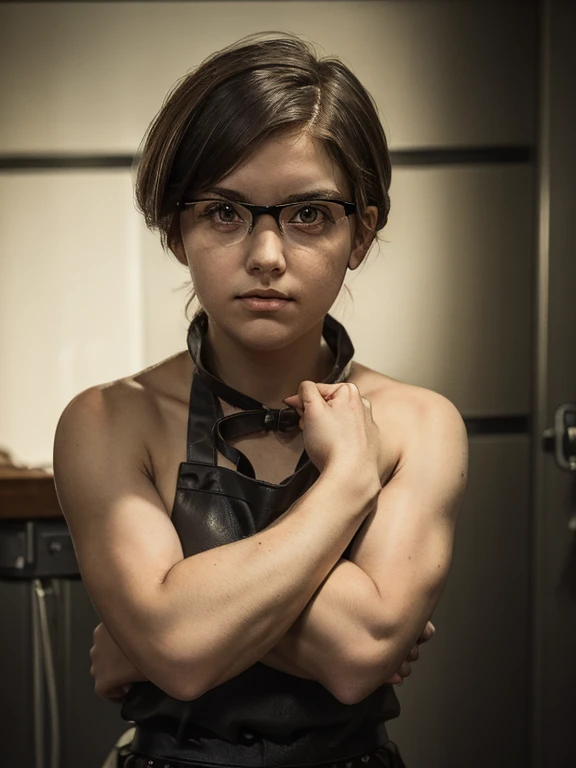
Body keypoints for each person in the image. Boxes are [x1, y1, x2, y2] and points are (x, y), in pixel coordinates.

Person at [53, 33, 468, 768]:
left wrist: (159, 615)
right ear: (175, 229)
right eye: (224, 211)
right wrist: (346, 485)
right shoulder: (105, 420)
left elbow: (356, 655)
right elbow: (181, 654)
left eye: (309, 214)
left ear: (361, 232)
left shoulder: (421, 423)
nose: (267, 255)